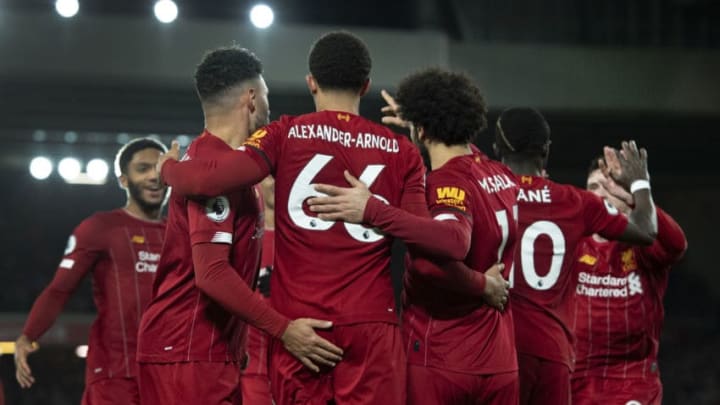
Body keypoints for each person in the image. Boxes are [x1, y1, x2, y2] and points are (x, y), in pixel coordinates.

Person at [155, 31, 454, 404]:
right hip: (371, 325)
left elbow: (206, 179)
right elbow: (435, 242)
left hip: (300, 326)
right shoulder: (402, 151)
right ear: (366, 86)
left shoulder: (283, 133)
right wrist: (375, 210)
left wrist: (168, 169)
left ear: (310, 82)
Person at [136, 46, 342, 405]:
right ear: (250, 99)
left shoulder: (226, 170)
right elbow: (212, 273)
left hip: (207, 351)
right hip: (187, 351)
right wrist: (285, 331)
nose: (267, 106)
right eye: (265, 96)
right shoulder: (211, 164)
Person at [309, 68, 521, 404]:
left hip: (444, 355)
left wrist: (372, 209)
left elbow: (440, 254)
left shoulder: (444, 183)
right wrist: (422, 122)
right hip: (500, 361)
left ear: (421, 130)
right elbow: (460, 143)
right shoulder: (500, 173)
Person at [491, 108, 658, 405]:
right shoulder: (574, 201)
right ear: (546, 151)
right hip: (553, 355)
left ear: (496, 150)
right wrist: (640, 183)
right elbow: (646, 230)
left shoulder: (485, 194)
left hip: (499, 350)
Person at [14, 137, 169, 405]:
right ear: (123, 179)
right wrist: (28, 336)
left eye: (160, 169)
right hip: (115, 374)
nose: (153, 177)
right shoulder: (100, 228)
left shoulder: (183, 233)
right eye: (143, 169)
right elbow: (60, 289)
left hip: (170, 373)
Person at [570, 157, 687, 405]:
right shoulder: (571, 243)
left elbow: (676, 246)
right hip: (575, 379)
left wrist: (637, 196)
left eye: (609, 186)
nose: (601, 194)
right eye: (593, 187)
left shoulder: (641, 244)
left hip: (631, 380)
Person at [239, 176, 275, 404]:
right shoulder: (240, 235)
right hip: (250, 369)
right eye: (271, 174)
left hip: (298, 368)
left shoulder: (313, 238)